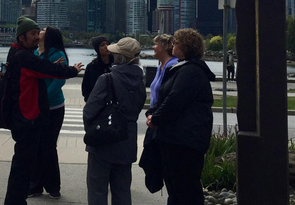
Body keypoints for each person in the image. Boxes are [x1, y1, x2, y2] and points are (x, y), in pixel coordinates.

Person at [3, 17, 83, 205]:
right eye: (32, 34)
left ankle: (18, 199)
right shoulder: (24, 57)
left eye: (38, 33)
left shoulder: (16, 53)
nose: (36, 37)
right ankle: (15, 201)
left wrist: (54, 68)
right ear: (21, 37)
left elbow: (41, 69)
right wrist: (71, 70)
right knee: (23, 166)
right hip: (26, 117)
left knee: (24, 163)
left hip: (22, 116)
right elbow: (45, 69)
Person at [146, 29, 215, 205]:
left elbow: (175, 99)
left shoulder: (191, 71)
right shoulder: (184, 68)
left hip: (184, 142)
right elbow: (165, 96)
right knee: (176, 190)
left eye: (176, 42)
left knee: (185, 190)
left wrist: (156, 119)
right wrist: (152, 112)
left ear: (185, 46)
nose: (173, 45)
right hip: (175, 139)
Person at [83, 37, 146, 205]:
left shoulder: (107, 79)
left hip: (103, 142)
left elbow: (89, 111)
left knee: (97, 190)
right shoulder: (141, 81)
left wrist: (91, 133)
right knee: (123, 191)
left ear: (118, 56)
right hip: (127, 141)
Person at [28, 26, 69, 199]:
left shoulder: (57, 55)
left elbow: (59, 81)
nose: (40, 30)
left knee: (49, 146)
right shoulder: (36, 53)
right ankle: (35, 185)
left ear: (49, 35)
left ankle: (53, 186)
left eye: (43, 29)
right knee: (36, 146)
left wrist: (43, 98)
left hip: (53, 108)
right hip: (37, 107)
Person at [149, 34, 178, 108]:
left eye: (156, 44)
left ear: (166, 46)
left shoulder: (173, 65)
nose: (153, 47)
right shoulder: (160, 67)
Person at [81, 36, 113, 102]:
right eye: (102, 45)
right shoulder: (92, 66)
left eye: (107, 44)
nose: (106, 47)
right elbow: (86, 88)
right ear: (97, 49)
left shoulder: (116, 64)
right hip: (96, 104)